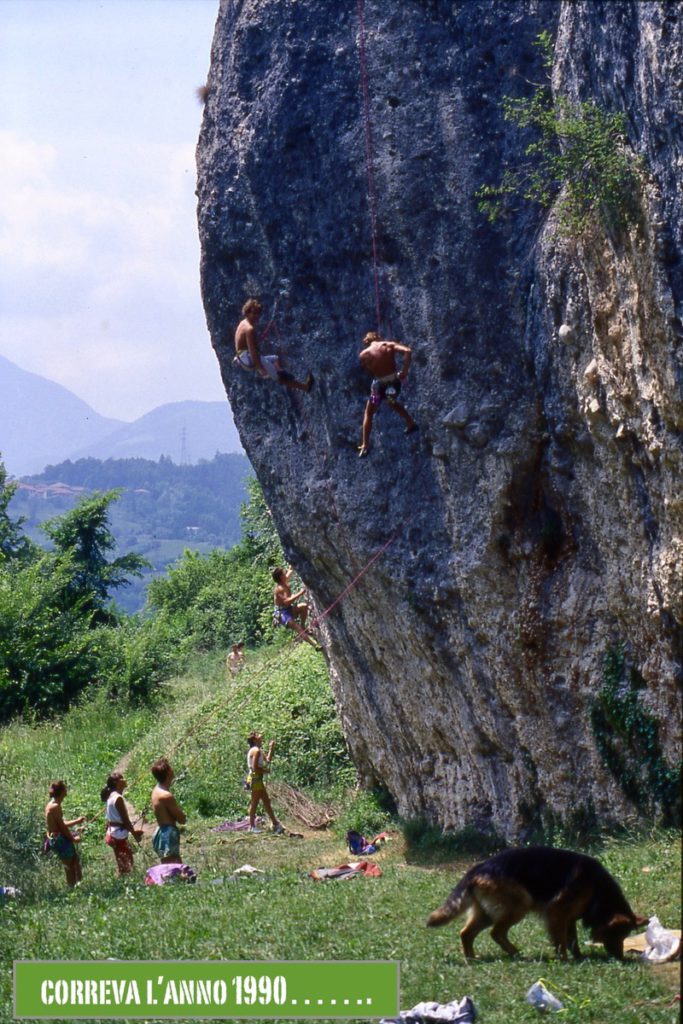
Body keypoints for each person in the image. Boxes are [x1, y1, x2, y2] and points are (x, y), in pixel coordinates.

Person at [358, 331, 418, 457]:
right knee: (391, 401)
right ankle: (410, 422)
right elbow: (408, 351)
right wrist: (405, 372)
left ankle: (365, 445)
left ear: (366, 342)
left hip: (379, 387)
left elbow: (370, 371)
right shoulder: (389, 345)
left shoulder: (364, 354)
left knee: (369, 412)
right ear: (378, 337)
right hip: (393, 384)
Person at [234, 298, 313, 392]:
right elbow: (253, 351)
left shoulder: (243, 323)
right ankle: (305, 387)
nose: (256, 316)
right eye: (254, 313)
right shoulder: (249, 329)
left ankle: (279, 371)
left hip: (242, 357)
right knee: (277, 377)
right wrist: (260, 369)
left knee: (275, 358)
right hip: (248, 357)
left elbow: (245, 344)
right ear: (247, 312)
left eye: (258, 314)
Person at [100, 772, 143, 876]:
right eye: (121, 778)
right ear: (116, 782)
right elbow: (126, 820)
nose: (124, 779)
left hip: (113, 833)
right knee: (126, 864)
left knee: (123, 862)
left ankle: (123, 881)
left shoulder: (111, 796)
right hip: (118, 835)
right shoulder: (118, 798)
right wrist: (135, 834)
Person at [44, 781, 84, 888]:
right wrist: (73, 838)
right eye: (65, 789)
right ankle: (73, 888)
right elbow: (62, 827)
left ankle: (78, 886)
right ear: (61, 792)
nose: (66, 792)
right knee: (70, 866)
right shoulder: (55, 806)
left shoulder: (52, 804)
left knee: (74, 861)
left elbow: (61, 823)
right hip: (59, 840)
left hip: (57, 837)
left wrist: (76, 821)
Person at [150, 758, 186, 864]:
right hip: (168, 833)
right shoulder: (166, 795)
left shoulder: (156, 790)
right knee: (174, 866)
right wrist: (183, 816)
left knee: (168, 864)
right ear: (169, 772)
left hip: (161, 831)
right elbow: (181, 819)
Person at [246, 732, 284, 834]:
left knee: (266, 801)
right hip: (255, 778)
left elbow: (267, 760)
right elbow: (255, 768)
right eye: (257, 734)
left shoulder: (258, 750)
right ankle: (252, 826)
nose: (260, 735)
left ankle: (275, 824)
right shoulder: (256, 751)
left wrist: (271, 748)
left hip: (257, 778)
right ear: (254, 739)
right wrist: (265, 771)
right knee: (255, 802)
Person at [272, 566, 319, 648]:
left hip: (288, 608)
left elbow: (290, 571)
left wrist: (292, 566)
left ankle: (303, 626)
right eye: (283, 573)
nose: (285, 574)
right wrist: (300, 593)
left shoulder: (284, 581)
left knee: (304, 606)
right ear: (280, 576)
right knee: (296, 627)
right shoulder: (279, 589)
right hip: (282, 613)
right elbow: (287, 602)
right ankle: (315, 645)